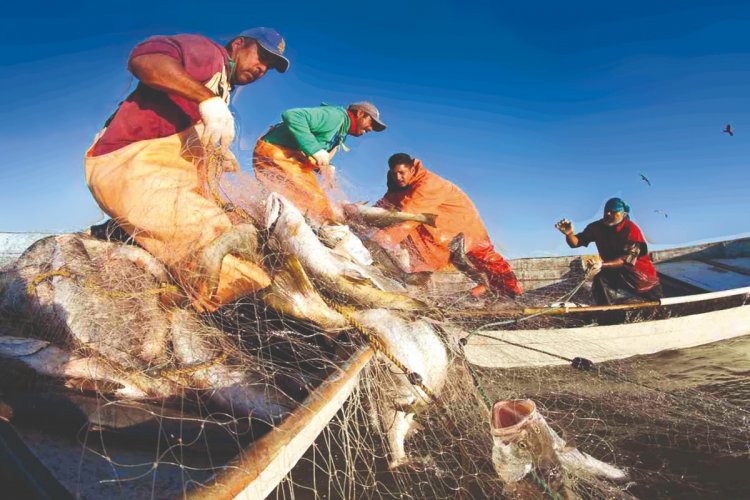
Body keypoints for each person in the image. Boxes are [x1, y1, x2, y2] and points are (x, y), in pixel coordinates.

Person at [84, 28, 290, 312]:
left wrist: (216, 152)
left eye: (270, 66)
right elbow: (144, 60)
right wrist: (207, 99)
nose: (263, 68)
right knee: (221, 253)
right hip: (131, 164)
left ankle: (122, 233)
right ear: (239, 44)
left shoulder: (224, 89)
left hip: (165, 175)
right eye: (262, 56)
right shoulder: (209, 54)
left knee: (237, 232)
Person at [371, 153, 522, 298]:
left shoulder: (428, 184)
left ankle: (512, 294)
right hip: (440, 231)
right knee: (449, 263)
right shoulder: (400, 184)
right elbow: (388, 204)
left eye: (401, 173)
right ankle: (490, 292)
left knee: (484, 258)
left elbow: (409, 216)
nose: (398, 177)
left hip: (463, 226)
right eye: (394, 173)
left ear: (412, 169)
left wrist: (383, 239)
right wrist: (362, 214)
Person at [253, 101, 386, 224]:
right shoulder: (335, 116)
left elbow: (318, 157)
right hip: (275, 151)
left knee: (311, 202)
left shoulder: (341, 133)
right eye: (371, 123)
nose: (371, 129)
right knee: (317, 204)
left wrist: (325, 169)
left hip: (292, 159)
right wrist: (315, 150)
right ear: (360, 113)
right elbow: (292, 115)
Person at [555, 197, 662, 305]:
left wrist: (601, 265)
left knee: (654, 302)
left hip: (639, 276)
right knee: (600, 280)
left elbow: (627, 260)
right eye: (606, 211)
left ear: (623, 214)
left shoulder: (631, 229)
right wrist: (569, 234)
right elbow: (576, 243)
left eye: (613, 211)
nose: (608, 214)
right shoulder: (596, 227)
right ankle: (606, 312)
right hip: (613, 271)